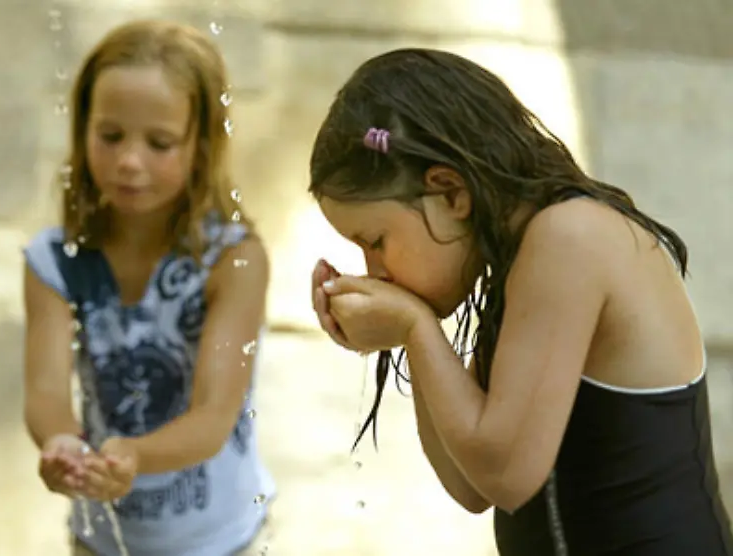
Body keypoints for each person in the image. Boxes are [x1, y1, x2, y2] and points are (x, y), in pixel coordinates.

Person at [309, 48, 733, 555]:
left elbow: (507, 473)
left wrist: (414, 328)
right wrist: (414, 325)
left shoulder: (570, 238)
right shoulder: (521, 257)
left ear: (449, 193)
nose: (375, 270)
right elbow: (471, 483)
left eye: (375, 241)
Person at [22, 20, 275, 556]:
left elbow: (212, 416)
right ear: (83, 128)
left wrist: (129, 455)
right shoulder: (54, 262)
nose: (129, 161)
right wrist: (62, 445)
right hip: (101, 539)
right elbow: (46, 394)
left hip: (220, 541)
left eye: (159, 143)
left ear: (200, 147)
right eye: (110, 136)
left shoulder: (233, 260)